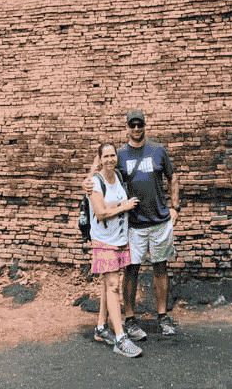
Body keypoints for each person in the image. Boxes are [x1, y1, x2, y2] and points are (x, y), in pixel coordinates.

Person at [83, 110, 180, 340]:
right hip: (133, 223)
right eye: (132, 125)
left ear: (145, 125)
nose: (136, 128)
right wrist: (87, 182)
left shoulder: (158, 150)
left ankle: (162, 315)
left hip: (159, 220)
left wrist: (175, 208)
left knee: (160, 267)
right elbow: (97, 167)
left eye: (140, 124)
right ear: (126, 127)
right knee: (131, 271)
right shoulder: (120, 154)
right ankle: (130, 319)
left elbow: (173, 177)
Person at [88, 142, 143, 357]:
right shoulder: (94, 182)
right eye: (106, 156)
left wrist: (122, 204)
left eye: (113, 155)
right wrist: (123, 206)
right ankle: (120, 338)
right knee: (113, 286)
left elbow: (113, 204)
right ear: (99, 159)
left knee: (107, 285)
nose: (110, 159)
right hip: (104, 241)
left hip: (120, 239)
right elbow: (100, 213)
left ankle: (101, 328)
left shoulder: (118, 177)